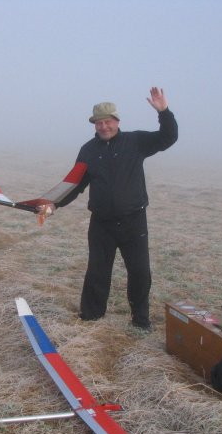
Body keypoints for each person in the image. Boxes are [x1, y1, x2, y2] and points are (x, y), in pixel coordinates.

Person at [39, 87, 178, 330]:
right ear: (94, 125)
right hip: (101, 222)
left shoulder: (135, 141)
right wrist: (53, 204)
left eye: (108, 121)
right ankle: (91, 316)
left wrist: (164, 112)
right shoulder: (88, 150)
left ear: (117, 121)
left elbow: (168, 137)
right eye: (98, 123)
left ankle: (140, 320)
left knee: (140, 272)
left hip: (134, 221)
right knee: (97, 271)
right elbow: (75, 183)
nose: (104, 127)